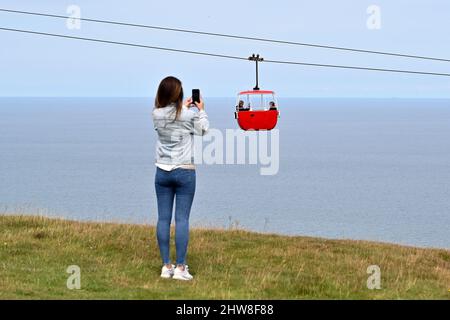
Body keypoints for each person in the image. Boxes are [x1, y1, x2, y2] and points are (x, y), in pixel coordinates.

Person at [152, 76, 209, 281]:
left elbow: (170, 115)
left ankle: (166, 266)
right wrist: (200, 109)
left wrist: (182, 109)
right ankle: (181, 268)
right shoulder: (187, 115)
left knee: (163, 219)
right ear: (180, 95)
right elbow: (203, 129)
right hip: (184, 171)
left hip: (162, 172)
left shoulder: (156, 114)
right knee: (182, 219)